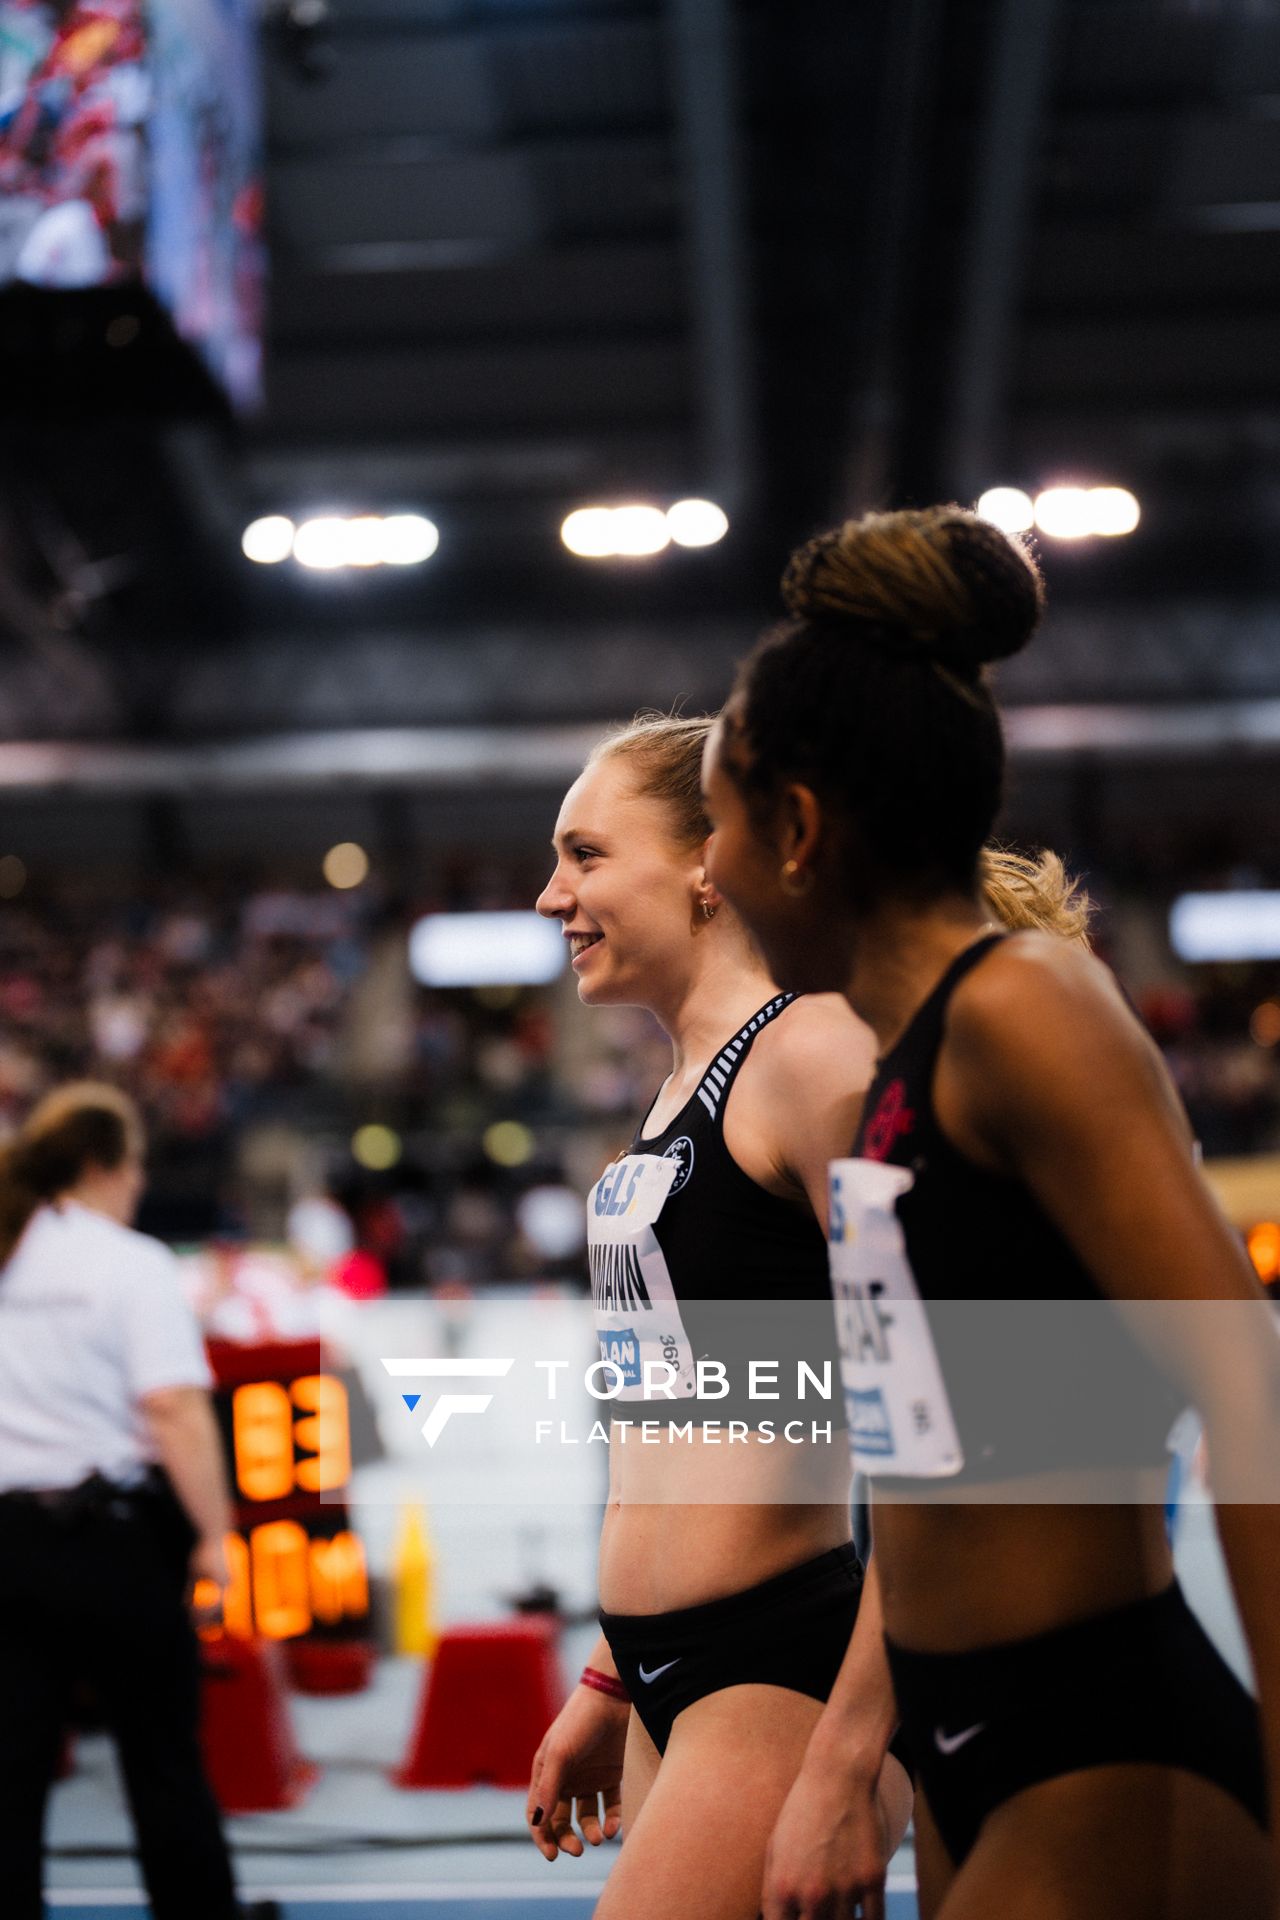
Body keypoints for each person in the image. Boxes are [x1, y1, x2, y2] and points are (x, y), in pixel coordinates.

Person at [700, 506, 1278, 1920]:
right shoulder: (901, 1067)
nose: (706, 874)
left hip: (1097, 1737)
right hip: (966, 1743)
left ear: (797, 828)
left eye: (713, 827)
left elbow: (1251, 1390)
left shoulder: (1024, 1005)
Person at [528, 715, 1073, 1919]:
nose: (547, 894)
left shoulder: (808, 1061)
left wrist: (848, 1751)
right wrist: (611, 1681)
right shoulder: (679, 1089)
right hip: (674, 1680)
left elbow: (961, 1416)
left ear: (707, 863)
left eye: (584, 854)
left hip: (784, 1677)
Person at [0, 1082, 245, 1920]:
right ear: (105, 1163)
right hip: (114, 1547)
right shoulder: (129, 1264)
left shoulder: (7, 1251)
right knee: (161, 1761)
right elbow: (173, 1409)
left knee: (9, 1773)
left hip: (8, 1546)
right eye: (136, 1164)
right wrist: (215, 1535)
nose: (140, 1181)